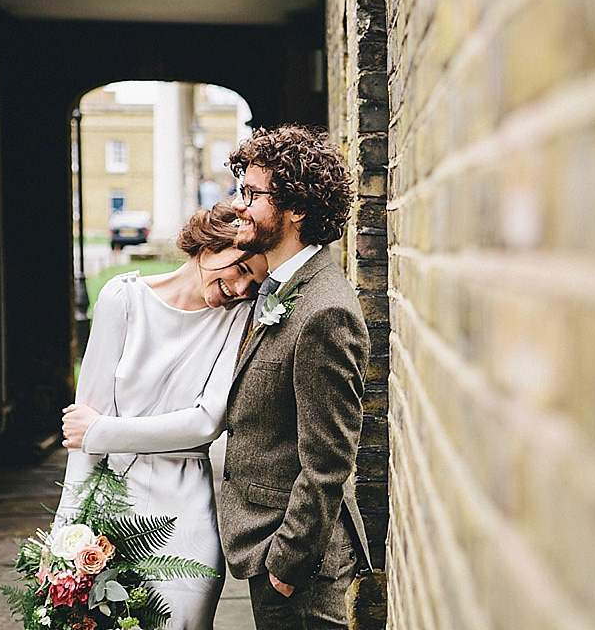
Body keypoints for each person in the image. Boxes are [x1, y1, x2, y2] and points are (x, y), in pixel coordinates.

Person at [54, 202, 269, 630]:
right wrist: (64, 529)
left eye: (254, 282)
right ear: (210, 246)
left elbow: (207, 422)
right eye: (241, 268)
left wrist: (103, 431)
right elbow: (83, 434)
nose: (243, 288)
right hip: (111, 503)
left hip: (186, 513)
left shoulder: (240, 318)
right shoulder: (122, 298)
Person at [220, 125, 372, 630]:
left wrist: (286, 562)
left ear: (297, 210)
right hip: (268, 545)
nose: (240, 205)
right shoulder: (281, 287)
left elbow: (329, 460)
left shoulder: (324, 310)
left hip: (298, 568)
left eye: (253, 194)